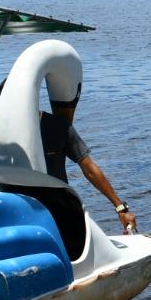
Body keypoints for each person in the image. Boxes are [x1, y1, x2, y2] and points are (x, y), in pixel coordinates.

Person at [40, 87, 138, 234]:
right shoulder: (1, 133)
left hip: (57, 206)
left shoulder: (58, 127)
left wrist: (120, 207)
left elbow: (88, 168)